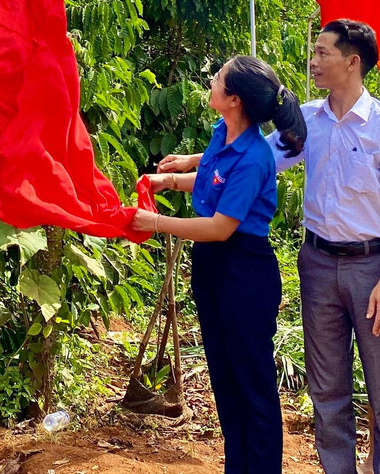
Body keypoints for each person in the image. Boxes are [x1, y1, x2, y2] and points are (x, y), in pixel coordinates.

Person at [164, 19, 380, 474]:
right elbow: (256, 157)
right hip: (318, 262)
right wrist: (189, 163)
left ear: (352, 62)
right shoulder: (308, 119)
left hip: (370, 265)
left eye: (322, 53)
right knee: (327, 386)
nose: (313, 61)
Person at [134, 56, 306, 473]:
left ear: (234, 100)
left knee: (252, 384)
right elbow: (214, 180)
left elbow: (220, 227)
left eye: (218, 78)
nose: (211, 81)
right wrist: (169, 180)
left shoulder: (254, 157)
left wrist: (155, 223)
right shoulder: (222, 133)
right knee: (225, 380)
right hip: (213, 266)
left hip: (244, 271)